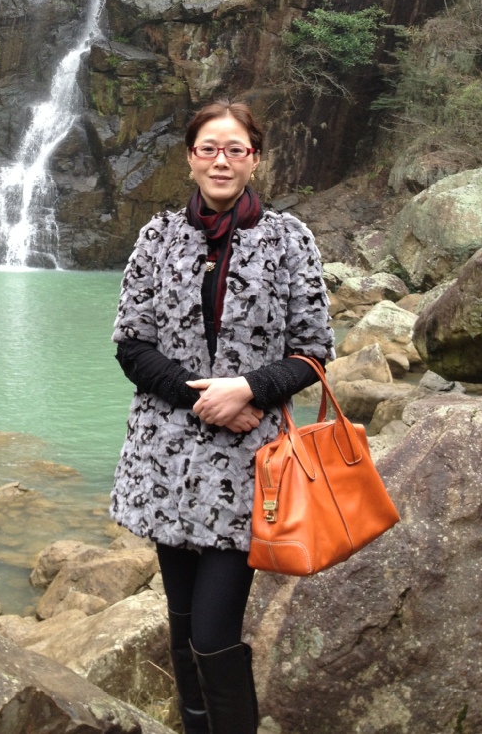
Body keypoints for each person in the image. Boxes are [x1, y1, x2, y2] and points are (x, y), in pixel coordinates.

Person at [110, 100, 334, 734]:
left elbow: (314, 351)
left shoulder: (289, 239)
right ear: (190, 158)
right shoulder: (156, 238)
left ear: (254, 160)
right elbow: (132, 345)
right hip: (165, 464)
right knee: (182, 627)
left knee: (212, 634)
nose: (220, 160)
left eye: (235, 149)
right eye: (208, 148)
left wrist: (250, 390)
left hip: (250, 467)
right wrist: (207, 400)